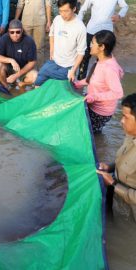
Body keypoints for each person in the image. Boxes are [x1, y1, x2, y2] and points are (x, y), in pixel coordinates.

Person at [74, 30, 124, 134]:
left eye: (93, 43)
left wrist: (94, 97)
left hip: (101, 112)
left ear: (102, 47)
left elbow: (118, 93)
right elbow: (95, 79)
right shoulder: (101, 60)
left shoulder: (109, 68)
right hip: (92, 104)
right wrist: (77, 84)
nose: (90, 45)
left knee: (87, 134)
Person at [97, 93, 136, 222]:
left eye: (125, 117)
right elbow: (125, 161)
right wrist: (110, 166)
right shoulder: (131, 135)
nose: (121, 121)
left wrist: (113, 183)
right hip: (117, 200)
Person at [34, 0, 86, 87]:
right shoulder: (57, 19)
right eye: (60, 11)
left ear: (74, 9)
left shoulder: (80, 27)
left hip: (68, 66)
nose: (63, 14)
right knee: (38, 81)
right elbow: (51, 34)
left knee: (61, 87)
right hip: (54, 61)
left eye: (66, 11)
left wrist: (73, 71)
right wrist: (51, 50)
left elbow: (81, 53)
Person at [77, 0, 128, 80]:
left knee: (103, 58)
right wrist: (79, 23)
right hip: (92, 30)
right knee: (85, 56)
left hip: (107, 32)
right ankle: (80, 80)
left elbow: (125, 6)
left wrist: (119, 15)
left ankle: (99, 80)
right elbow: (83, 10)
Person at [0, 19, 37, 94]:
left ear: (22, 31)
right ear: (8, 32)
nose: (15, 34)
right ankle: (6, 85)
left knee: (35, 76)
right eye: (12, 32)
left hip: (22, 69)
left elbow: (32, 62)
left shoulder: (29, 41)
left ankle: (21, 84)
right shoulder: (4, 38)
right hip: (8, 68)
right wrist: (11, 60)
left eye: (18, 32)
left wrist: (16, 75)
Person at [15, 0, 51, 66]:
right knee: (25, 47)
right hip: (26, 22)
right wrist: (16, 20)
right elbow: (20, 4)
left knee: (39, 48)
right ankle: (24, 71)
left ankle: (39, 71)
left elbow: (48, 5)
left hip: (40, 22)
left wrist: (49, 21)